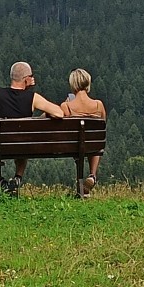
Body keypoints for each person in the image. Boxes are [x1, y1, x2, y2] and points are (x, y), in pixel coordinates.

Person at [0, 61, 64, 194]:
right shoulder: (33, 98)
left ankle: (0, 180)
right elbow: (59, 113)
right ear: (26, 79)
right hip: (22, 145)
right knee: (21, 141)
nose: (33, 78)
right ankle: (17, 178)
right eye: (31, 76)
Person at [60, 68, 106, 197]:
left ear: (73, 85)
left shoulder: (66, 106)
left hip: (74, 147)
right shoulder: (98, 105)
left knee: (80, 142)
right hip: (93, 146)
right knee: (94, 140)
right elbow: (101, 128)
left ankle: (80, 183)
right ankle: (92, 175)